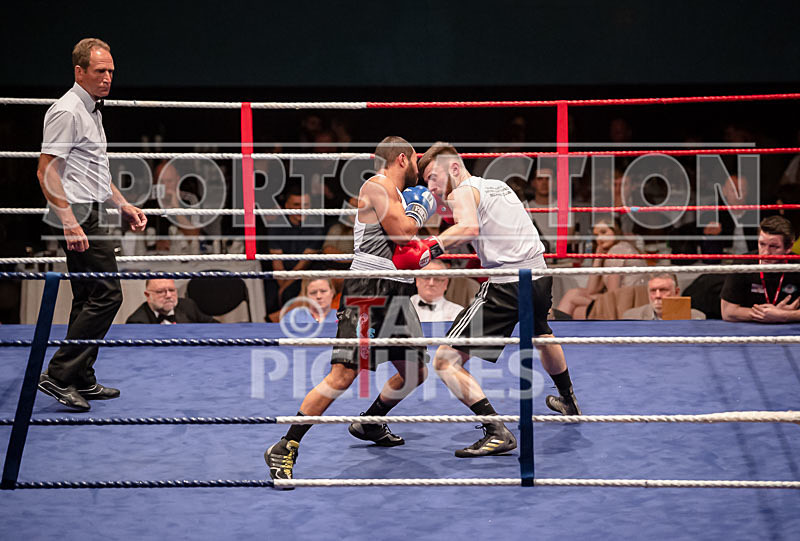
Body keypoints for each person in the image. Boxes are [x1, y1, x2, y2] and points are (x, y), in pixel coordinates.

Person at [264, 136, 437, 483]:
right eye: (416, 161)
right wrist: (421, 210)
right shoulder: (377, 186)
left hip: (396, 290)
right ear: (402, 158)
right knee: (344, 374)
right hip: (368, 291)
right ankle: (285, 445)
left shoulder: (398, 195)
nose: (419, 170)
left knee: (415, 370)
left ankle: (370, 422)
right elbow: (403, 234)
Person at [394, 141, 581, 459]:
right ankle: (568, 399)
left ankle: (496, 430)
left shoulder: (462, 192)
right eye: (427, 181)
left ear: (454, 168)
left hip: (508, 285)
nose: (431, 187)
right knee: (541, 333)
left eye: (434, 178)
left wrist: (429, 248)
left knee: (445, 360)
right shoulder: (498, 187)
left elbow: (468, 227)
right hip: (539, 275)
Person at [36, 38, 147, 412]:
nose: (108, 77)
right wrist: (69, 221)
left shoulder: (93, 111)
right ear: (79, 71)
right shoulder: (67, 111)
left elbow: (95, 171)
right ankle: (58, 374)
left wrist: (122, 204)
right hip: (79, 212)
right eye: (100, 71)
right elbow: (46, 170)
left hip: (94, 209)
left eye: (111, 71)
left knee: (87, 296)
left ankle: (81, 375)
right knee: (108, 294)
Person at [556, 217, 643, 319]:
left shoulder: (617, 251)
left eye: (604, 232)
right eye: (596, 235)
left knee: (576, 307)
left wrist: (580, 299)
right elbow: (592, 290)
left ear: (615, 231)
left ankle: (554, 324)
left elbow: (613, 294)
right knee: (573, 295)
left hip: (627, 303)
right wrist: (598, 258)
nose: (600, 238)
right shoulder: (615, 249)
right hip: (624, 300)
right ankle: (555, 322)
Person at [720, 216, 800, 323]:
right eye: (762, 244)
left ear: (789, 247)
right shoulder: (743, 264)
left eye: (774, 246)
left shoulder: (797, 266)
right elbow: (727, 312)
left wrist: (783, 315)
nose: (765, 253)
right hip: (748, 329)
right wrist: (768, 314)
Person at [125, 279, 218, 324]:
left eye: (172, 290)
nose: (168, 295)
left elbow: (214, 326)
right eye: (160, 292)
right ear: (147, 295)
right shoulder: (137, 322)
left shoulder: (188, 306)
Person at [622, 273, 706, 320]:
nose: (657, 296)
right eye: (653, 291)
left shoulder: (696, 317)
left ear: (676, 292)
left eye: (663, 290)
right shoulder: (631, 317)